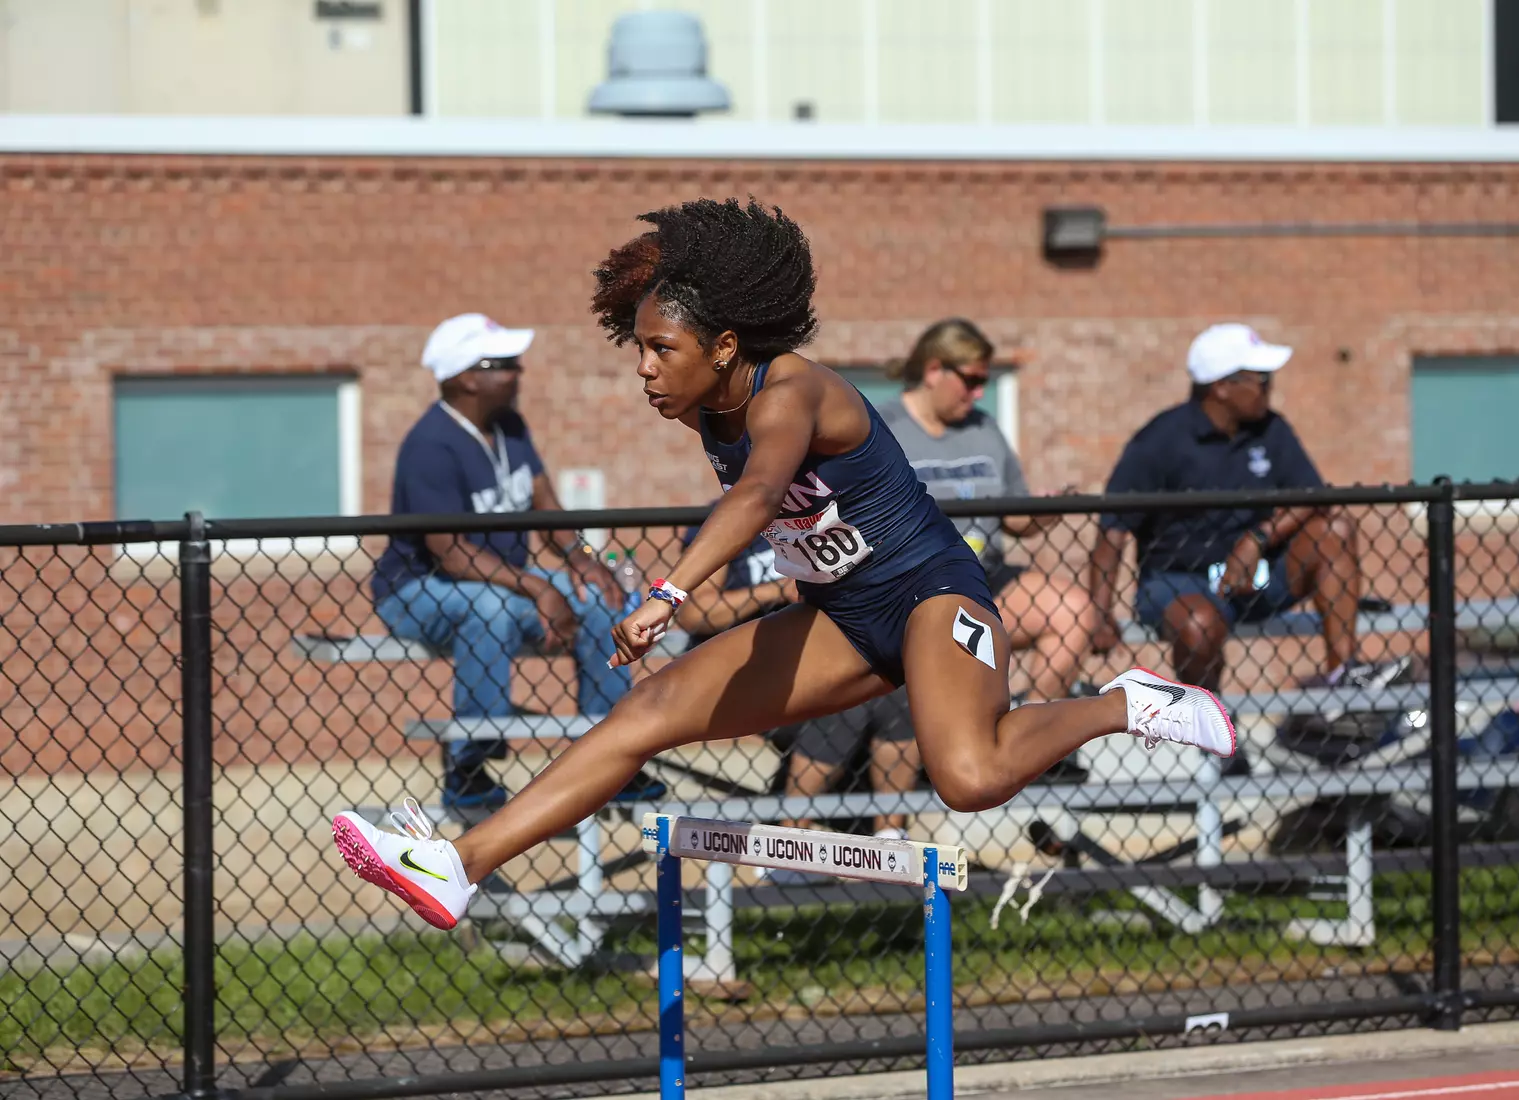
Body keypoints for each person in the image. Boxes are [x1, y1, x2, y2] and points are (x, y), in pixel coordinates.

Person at [334, 199, 1235, 931]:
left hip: (931, 594)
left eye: (662, 351)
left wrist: (671, 591)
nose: (644, 371)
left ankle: (1131, 704)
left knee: (968, 779)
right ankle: (460, 865)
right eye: (639, 348)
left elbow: (761, 496)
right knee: (646, 712)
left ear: (724, 347)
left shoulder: (792, 390)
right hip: (842, 618)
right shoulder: (700, 406)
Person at [369, 312, 649, 817]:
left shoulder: (511, 428)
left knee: (601, 602)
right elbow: (449, 554)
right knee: (491, 607)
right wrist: (540, 589)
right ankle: (469, 770)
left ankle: (612, 763)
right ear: (465, 378)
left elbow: (549, 512)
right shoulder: (429, 445)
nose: (519, 372)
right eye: (506, 364)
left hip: (499, 583)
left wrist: (585, 562)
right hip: (417, 589)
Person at [1087, 322, 1408, 694]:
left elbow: (1314, 496)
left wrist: (1257, 538)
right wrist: (1100, 612)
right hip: (1177, 581)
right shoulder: (1160, 440)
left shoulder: (1271, 429)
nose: (1269, 388)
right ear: (1221, 387)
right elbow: (1113, 529)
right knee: (1200, 625)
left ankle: (1344, 677)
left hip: (1257, 575)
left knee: (1335, 529)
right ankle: (1209, 725)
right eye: (1261, 379)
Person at [878, 319, 1097, 711]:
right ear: (933, 370)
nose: (979, 392)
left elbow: (1014, 520)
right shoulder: (883, 428)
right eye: (971, 380)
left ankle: (1031, 731)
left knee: (1073, 610)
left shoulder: (984, 428)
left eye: (986, 380)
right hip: (912, 592)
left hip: (986, 580)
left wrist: (1044, 512)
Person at [674, 518, 922, 846]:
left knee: (893, 690)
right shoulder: (728, 520)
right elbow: (694, 613)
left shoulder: (829, 515)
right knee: (840, 702)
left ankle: (891, 838)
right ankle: (789, 841)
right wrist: (774, 591)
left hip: (819, 657)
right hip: (745, 673)